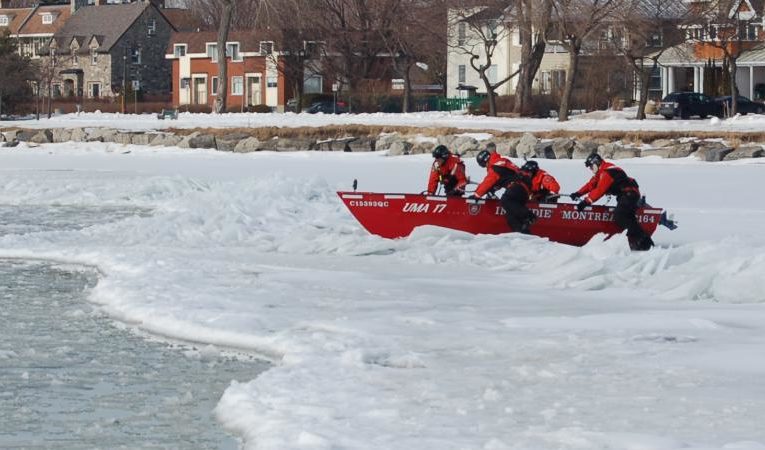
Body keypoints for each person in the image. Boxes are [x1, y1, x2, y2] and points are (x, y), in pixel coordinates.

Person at [570, 153, 654, 251]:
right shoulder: (601, 172)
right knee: (627, 216)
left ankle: (643, 241)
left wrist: (586, 202)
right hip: (625, 196)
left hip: (629, 194)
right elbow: (591, 185)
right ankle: (638, 240)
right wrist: (578, 193)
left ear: (596, 163)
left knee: (620, 216)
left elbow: (600, 190)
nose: (591, 169)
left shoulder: (607, 172)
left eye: (591, 167)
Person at [472, 149, 536, 234]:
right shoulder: (502, 162)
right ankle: (522, 233)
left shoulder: (495, 165)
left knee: (506, 200)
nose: (485, 167)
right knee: (510, 214)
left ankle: (529, 216)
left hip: (518, 186)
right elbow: (503, 179)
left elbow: (488, 181)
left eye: (484, 165)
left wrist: (476, 195)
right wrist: (492, 190)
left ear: (485, 161)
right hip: (523, 189)